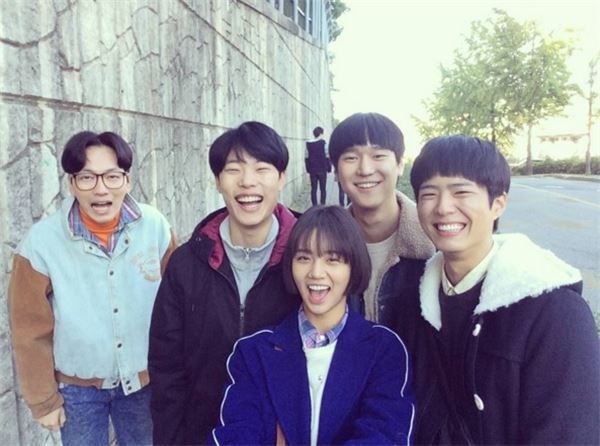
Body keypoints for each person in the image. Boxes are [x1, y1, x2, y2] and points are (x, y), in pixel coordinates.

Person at [409, 134, 600, 444]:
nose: (443, 207)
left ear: (498, 203)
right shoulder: (416, 302)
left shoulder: (555, 313)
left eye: (461, 192)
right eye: (429, 194)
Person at [8, 131, 177, 445]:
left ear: (127, 180)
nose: (101, 189)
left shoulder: (155, 227)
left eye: (112, 176)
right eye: (87, 177)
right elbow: (28, 329)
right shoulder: (40, 244)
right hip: (77, 390)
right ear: (72, 183)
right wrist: (43, 400)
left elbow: (178, 304)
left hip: (145, 382)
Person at [149, 121, 301, 445]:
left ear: (281, 177)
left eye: (262, 168)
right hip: (202, 434)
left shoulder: (307, 260)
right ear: (218, 181)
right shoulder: (186, 264)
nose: (247, 181)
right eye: (233, 169)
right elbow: (166, 369)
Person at [210, 205, 415, 445]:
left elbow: (384, 435)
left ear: (354, 267)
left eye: (333, 259)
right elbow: (236, 434)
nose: (316, 273)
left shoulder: (384, 350)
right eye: (304, 258)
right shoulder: (253, 353)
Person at [328, 112, 434, 330]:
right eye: (351, 158)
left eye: (378, 156)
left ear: (400, 164)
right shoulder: (323, 246)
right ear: (336, 171)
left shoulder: (434, 242)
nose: (365, 170)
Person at [305, 126, 330, 206]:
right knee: (323, 189)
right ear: (321, 134)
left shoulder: (308, 144)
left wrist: (308, 169)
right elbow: (327, 156)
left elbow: (306, 157)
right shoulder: (324, 143)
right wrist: (329, 168)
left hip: (313, 170)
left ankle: (314, 206)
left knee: (313, 189)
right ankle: (322, 205)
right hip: (322, 169)